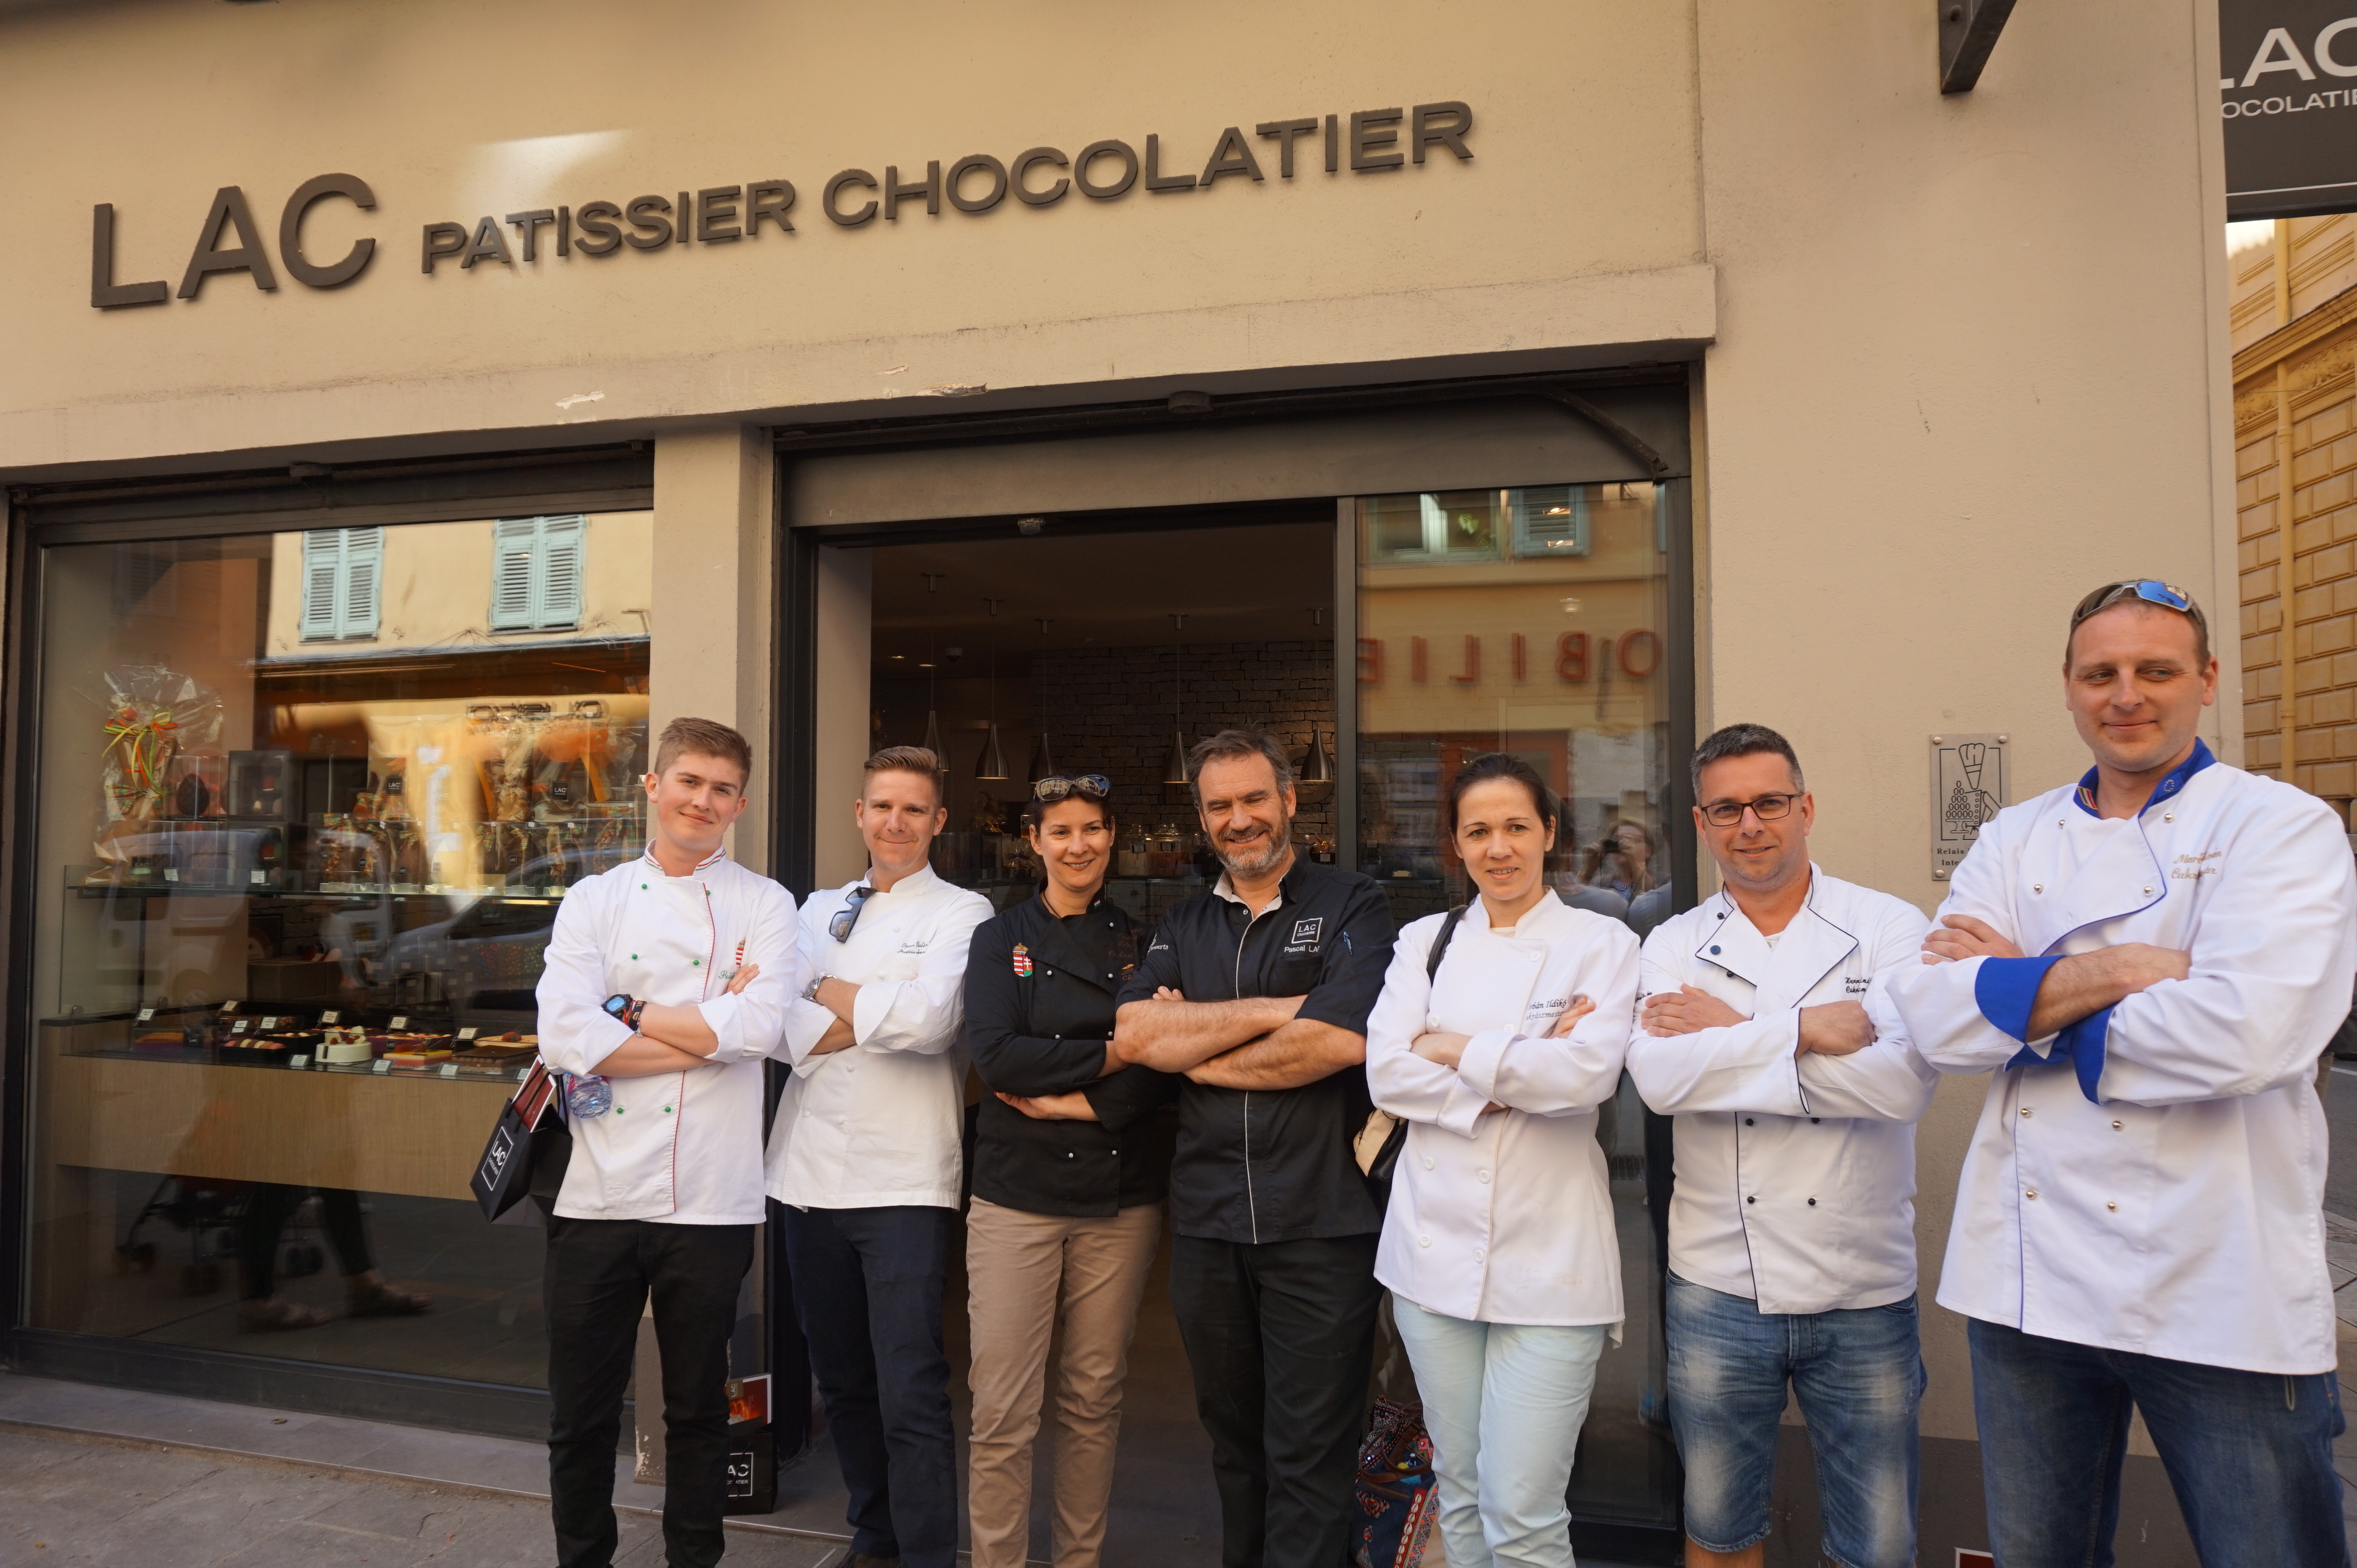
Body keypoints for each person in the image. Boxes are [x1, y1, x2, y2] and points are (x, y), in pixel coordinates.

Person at [1884, 579, 2357, 1568]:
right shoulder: (2015, 835)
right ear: (2067, 685)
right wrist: (2125, 969)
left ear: (2206, 680)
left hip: (2220, 1279)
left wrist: (2021, 992)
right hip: (2029, 1284)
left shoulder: (2281, 827)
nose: (2127, 694)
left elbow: (2247, 1033)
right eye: (2100, 673)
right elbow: (1932, 1015)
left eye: (2156, 671)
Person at [1624, 723, 1936, 1568]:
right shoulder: (1673, 942)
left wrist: (1735, 1029)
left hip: (1863, 1285)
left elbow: (1899, 1086)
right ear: (1701, 823)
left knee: (1878, 1546)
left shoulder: (1887, 926)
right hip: (1718, 1284)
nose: (1750, 824)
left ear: (1806, 808)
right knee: (1718, 1530)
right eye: (1727, 809)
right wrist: (1805, 1030)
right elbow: (1662, 1083)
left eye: (1768, 802)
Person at [1112, 728, 1397, 1568]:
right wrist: (1287, 1008)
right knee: (1235, 1448)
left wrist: (1197, 1049)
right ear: (1202, 817)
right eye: (1219, 805)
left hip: (1322, 1220)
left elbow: (1340, 1041)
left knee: (1311, 1454)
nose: (1238, 819)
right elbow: (1135, 1033)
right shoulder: (1184, 920)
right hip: (1209, 1224)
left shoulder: (1353, 903)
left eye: (1252, 798)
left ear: (1289, 800)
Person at [534, 716, 800, 1568]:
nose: (703, 800)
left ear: (741, 805)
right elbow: (565, 1038)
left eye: (722, 788)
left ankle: (694, 1559)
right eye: (688, 781)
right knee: (580, 1412)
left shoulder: (766, 902)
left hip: (710, 1195)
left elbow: (759, 1030)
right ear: (653, 786)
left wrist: (631, 1012)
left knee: (696, 1408)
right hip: (595, 1191)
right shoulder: (595, 898)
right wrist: (708, 1031)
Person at [1364, 752, 1639, 1568]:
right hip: (1431, 1260)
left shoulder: (1602, 942)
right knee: (1459, 1489)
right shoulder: (1424, 941)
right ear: (1455, 843)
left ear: (1549, 832)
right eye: (1478, 830)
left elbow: (1585, 1077)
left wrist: (1450, 1047)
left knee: (1522, 1512)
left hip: (1552, 1267)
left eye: (1516, 826)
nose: (1498, 847)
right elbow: (1386, 1073)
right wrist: (1518, 1067)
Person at [766, 745, 992, 1568]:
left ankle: (929, 1552)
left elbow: (931, 1025)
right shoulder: (813, 907)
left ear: (939, 821)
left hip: (903, 1181)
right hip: (804, 1176)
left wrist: (820, 991)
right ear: (859, 814)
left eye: (914, 809)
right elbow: (772, 1024)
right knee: (842, 1378)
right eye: (883, 807)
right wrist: (870, 1012)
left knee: (910, 1384)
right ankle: (875, 1533)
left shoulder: (965, 913)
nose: (896, 822)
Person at [960, 773, 1178, 1568]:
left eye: (1091, 829)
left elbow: (1165, 1068)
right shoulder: (998, 939)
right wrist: (1116, 1052)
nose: (1077, 845)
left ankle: (1077, 1560)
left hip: (1118, 1200)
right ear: (1034, 842)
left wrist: (1077, 1102)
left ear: (1111, 837)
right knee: (1001, 1407)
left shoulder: (1148, 941)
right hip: (1014, 1194)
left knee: (1093, 1396)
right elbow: (996, 1055)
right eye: (1060, 831)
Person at [1581, 819, 1657, 902]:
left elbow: (1658, 901)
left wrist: (1638, 869)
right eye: (1618, 840)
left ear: (1648, 851)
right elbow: (1577, 901)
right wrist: (1589, 870)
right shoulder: (1600, 883)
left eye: (1635, 840)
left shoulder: (1662, 881)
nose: (1624, 844)